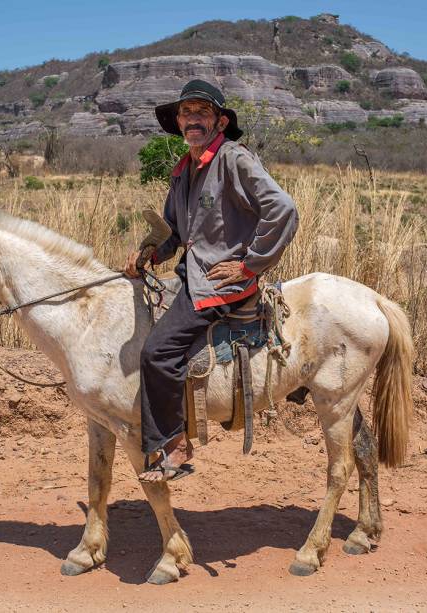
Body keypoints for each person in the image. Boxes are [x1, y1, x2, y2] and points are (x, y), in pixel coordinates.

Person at [124, 79, 298, 482]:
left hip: (219, 283)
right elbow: (172, 231)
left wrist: (249, 265)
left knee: (157, 353)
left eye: (202, 112)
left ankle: (174, 446)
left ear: (220, 121)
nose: (192, 120)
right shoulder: (184, 171)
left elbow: (283, 209)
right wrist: (148, 254)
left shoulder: (234, 159)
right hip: (191, 273)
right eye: (186, 113)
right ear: (179, 123)